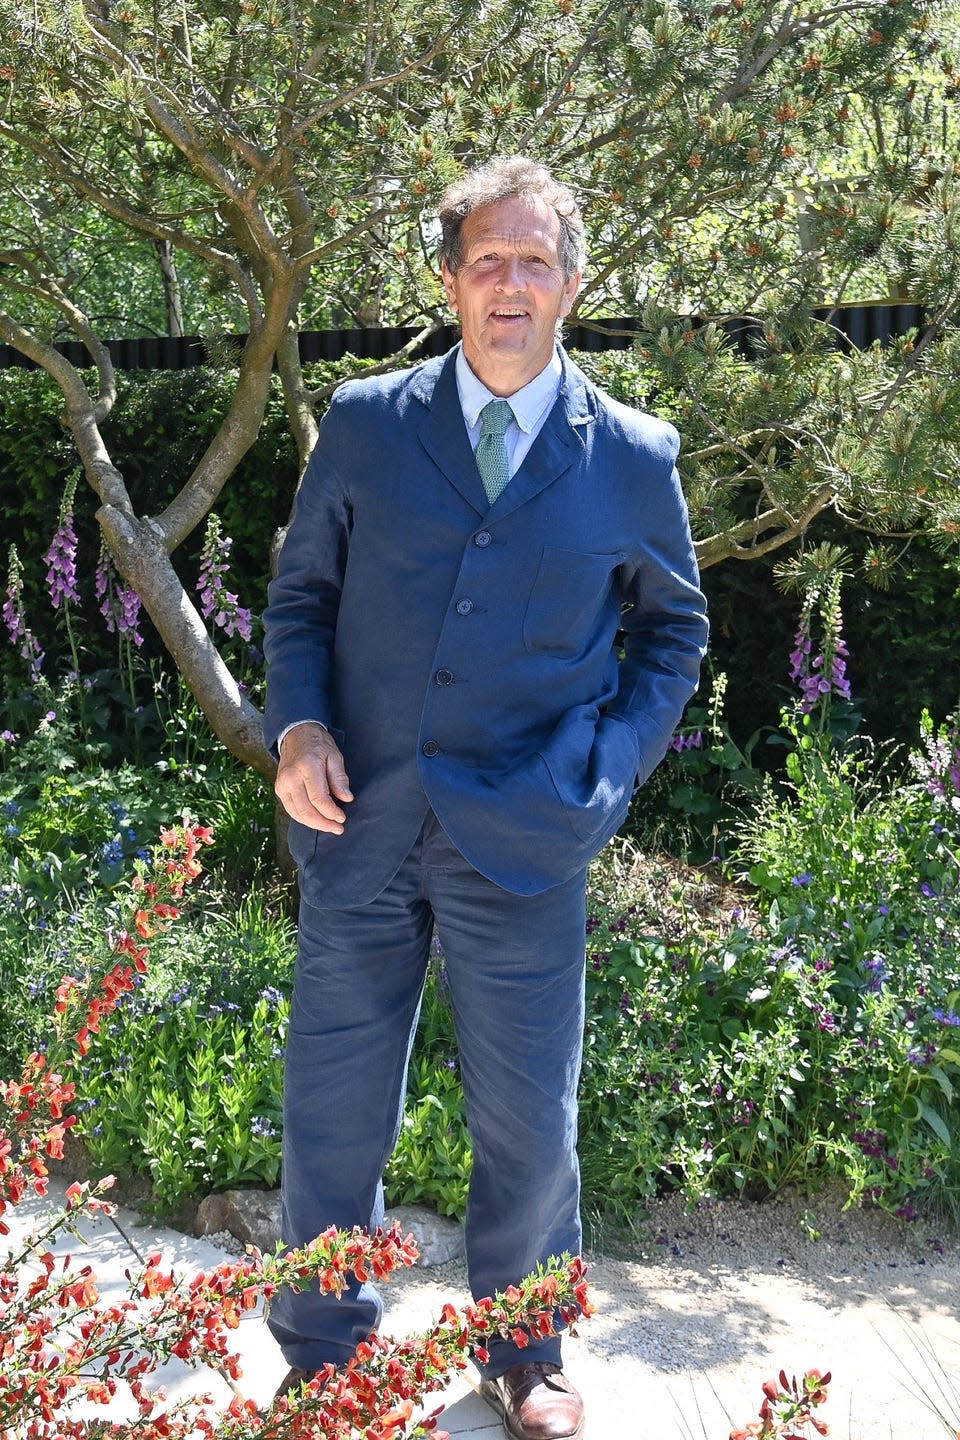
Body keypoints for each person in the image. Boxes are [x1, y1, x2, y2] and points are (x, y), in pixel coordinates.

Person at [262, 155, 708, 1440]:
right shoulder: (365, 422)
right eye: (486, 261)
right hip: (360, 823)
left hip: (529, 829)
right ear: (451, 281)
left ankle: (527, 1350)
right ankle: (325, 1352)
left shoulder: (630, 456)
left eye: (534, 261)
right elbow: (301, 601)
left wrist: (606, 770)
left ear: (570, 283)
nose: (510, 284)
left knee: (530, 1111)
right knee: (334, 1106)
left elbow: (672, 639)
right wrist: (297, 726)